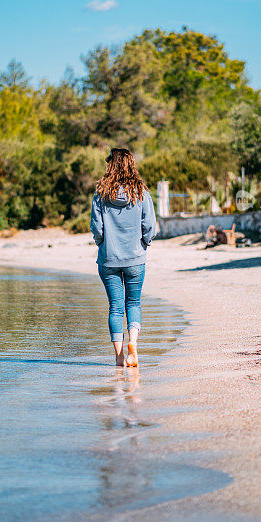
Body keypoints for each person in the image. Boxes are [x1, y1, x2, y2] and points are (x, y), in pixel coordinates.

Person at [90, 147, 157, 367]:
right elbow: (149, 225)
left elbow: (97, 228)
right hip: (135, 258)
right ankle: (133, 346)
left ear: (110, 166)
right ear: (131, 165)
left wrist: (102, 243)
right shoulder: (141, 192)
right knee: (133, 303)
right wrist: (143, 244)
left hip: (108, 259)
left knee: (115, 307)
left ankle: (119, 357)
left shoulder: (100, 194)